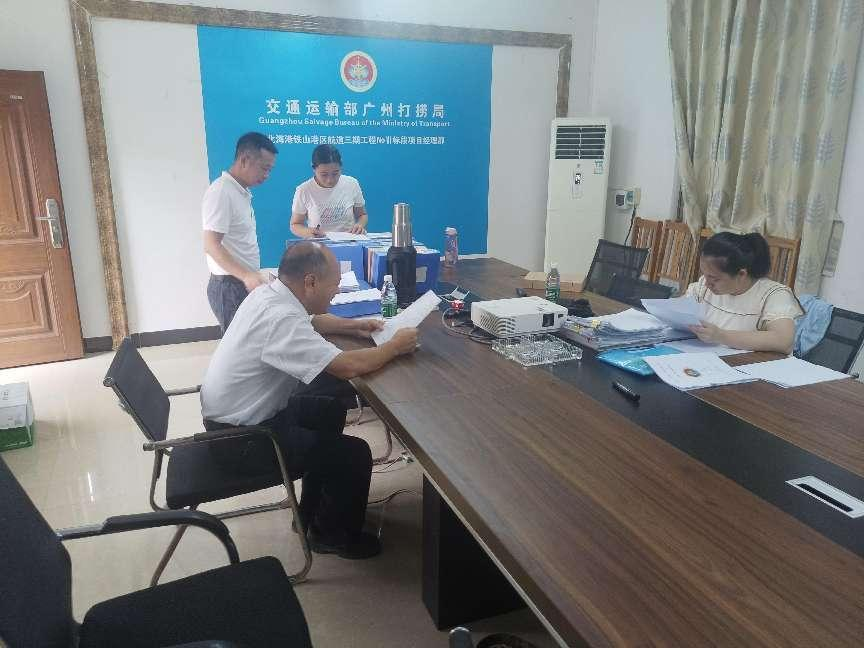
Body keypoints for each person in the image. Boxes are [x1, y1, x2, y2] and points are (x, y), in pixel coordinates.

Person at [200, 241, 419, 559]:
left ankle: (313, 513)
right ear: (310, 282)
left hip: (234, 421)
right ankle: (332, 536)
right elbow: (347, 367)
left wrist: (354, 326)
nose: (337, 291)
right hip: (243, 442)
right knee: (354, 454)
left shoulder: (269, 294)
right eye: (335, 284)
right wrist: (395, 346)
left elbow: (311, 321)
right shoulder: (280, 319)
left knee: (328, 409)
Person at [203, 132, 276, 332]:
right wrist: (246, 276)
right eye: (264, 168)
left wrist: (252, 275)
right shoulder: (221, 192)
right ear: (244, 160)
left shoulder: (239, 192)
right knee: (239, 344)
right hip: (230, 287)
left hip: (241, 281)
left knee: (250, 339)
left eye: (270, 170)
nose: (266, 175)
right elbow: (211, 244)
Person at [686, 231, 803, 353]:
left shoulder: (774, 295)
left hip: (751, 363)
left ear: (741, 274)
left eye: (714, 278)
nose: (706, 283)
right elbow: (680, 310)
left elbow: (783, 341)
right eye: (704, 275)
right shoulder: (705, 288)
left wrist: (721, 336)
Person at [290, 144, 368, 237]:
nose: (330, 180)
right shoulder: (304, 190)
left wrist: (359, 225)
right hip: (319, 243)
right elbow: (295, 224)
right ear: (313, 168)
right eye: (324, 174)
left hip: (349, 241)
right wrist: (308, 232)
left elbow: (362, 215)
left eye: (335, 173)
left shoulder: (352, 183)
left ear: (341, 166)